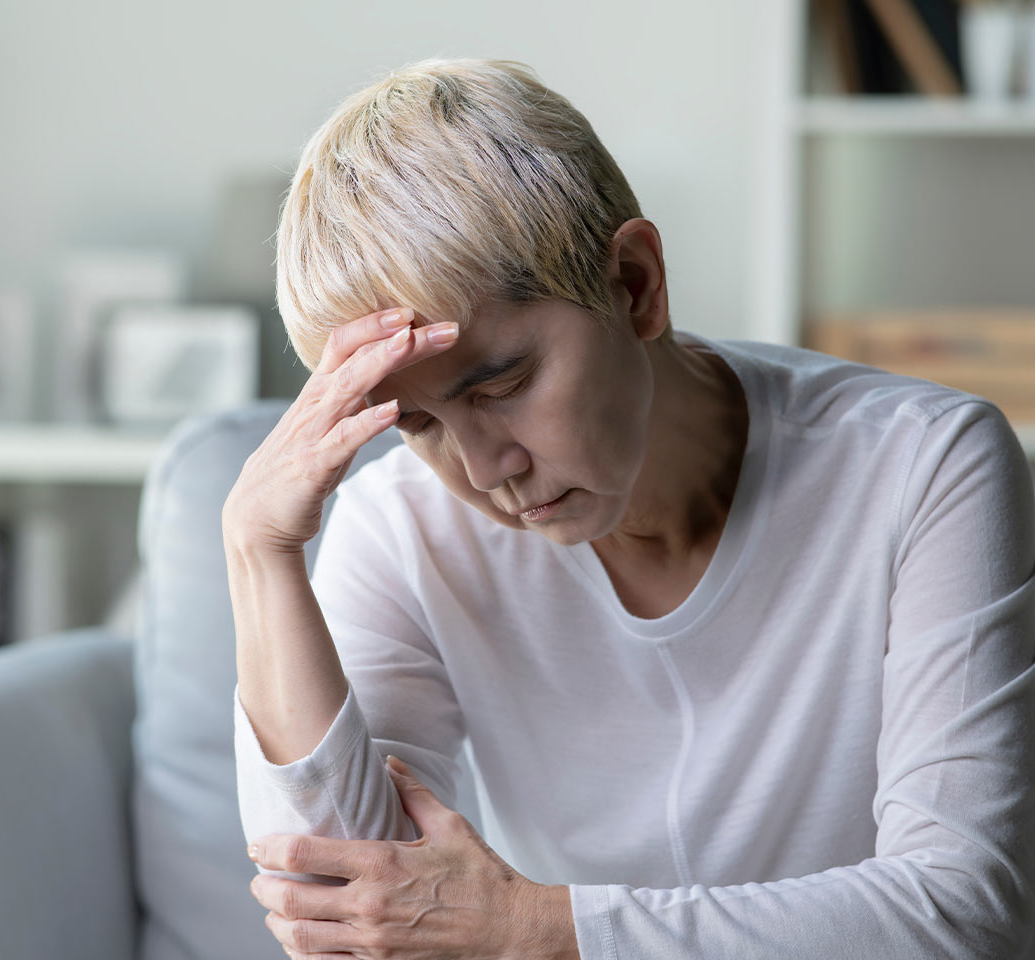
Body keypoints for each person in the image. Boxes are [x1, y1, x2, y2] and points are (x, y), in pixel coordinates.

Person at [223, 57, 1035, 960]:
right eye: (418, 423)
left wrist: (531, 929)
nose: (486, 466)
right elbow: (347, 924)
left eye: (503, 385)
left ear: (637, 282)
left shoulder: (923, 463)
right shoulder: (402, 526)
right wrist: (258, 553)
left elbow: (966, 909)